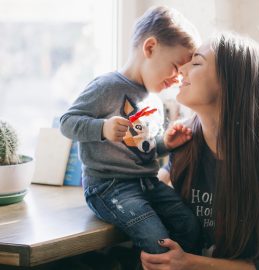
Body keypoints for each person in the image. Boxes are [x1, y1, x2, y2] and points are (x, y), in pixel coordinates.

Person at [141, 32, 259, 270]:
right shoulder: (185, 142)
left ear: (230, 83)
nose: (181, 70)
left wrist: (189, 264)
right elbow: (155, 185)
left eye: (196, 62)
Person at [60, 6, 202, 256]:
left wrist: (165, 144)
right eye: (175, 67)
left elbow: (142, 148)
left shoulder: (154, 100)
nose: (177, 79)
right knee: (155, 239)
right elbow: (67, 122)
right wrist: (102, 128)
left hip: (147, 183)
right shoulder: (107, 87)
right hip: (108, 186)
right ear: (150, 48)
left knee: (189, 226)